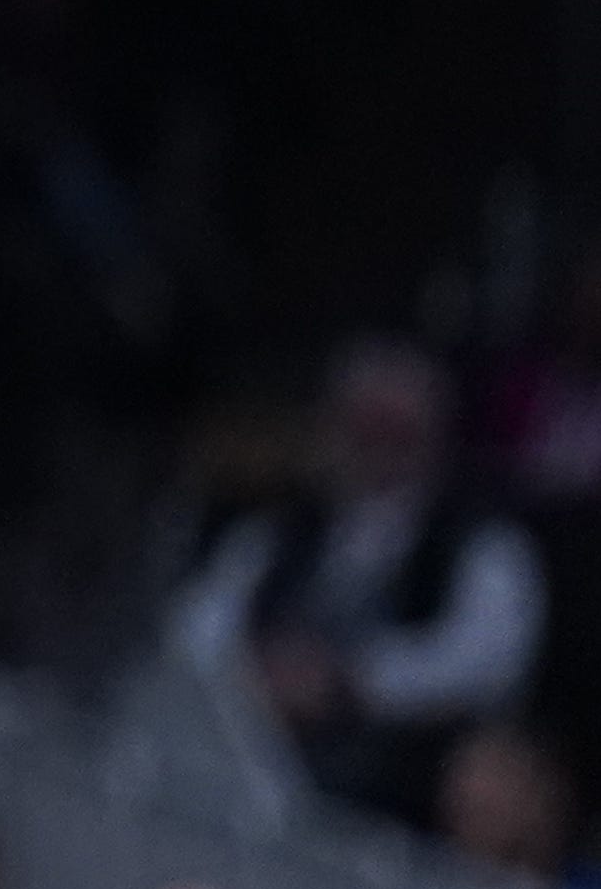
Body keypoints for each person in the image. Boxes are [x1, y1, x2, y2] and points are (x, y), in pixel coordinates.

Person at [172, 340, 545, 823]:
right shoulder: (279, 531)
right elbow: (196, 627)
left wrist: (352, 681)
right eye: (365, 427)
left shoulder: (478, 546)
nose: (378, 448)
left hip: (397, 790)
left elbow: (486, 662)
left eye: (396, 432)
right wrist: (258, 670)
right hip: (251, 761)